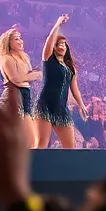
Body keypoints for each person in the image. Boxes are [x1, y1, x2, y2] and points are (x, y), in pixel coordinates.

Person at [38, 14, 88, 149]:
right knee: (41, 145)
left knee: (70, 147)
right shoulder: (48, 60)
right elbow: (49, 39)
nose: (62, 47)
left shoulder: (70, 67)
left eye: (64, 44)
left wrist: (81, 105)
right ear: (53, 47)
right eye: (58, 44)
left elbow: (74, 87)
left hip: (61, 109)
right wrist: (58, 23)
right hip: (45, 106)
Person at [0, 28, 40, 139]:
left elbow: (27, 77)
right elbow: (15, 79)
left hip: (25, 94)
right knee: (15, 136)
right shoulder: (7, 58)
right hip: (14, 94)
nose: (20, 41)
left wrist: (36, 75)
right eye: (16, 39)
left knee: (32, 139)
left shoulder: (23, 57)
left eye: (20, 38)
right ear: (8, 42)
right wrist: (33, 75)